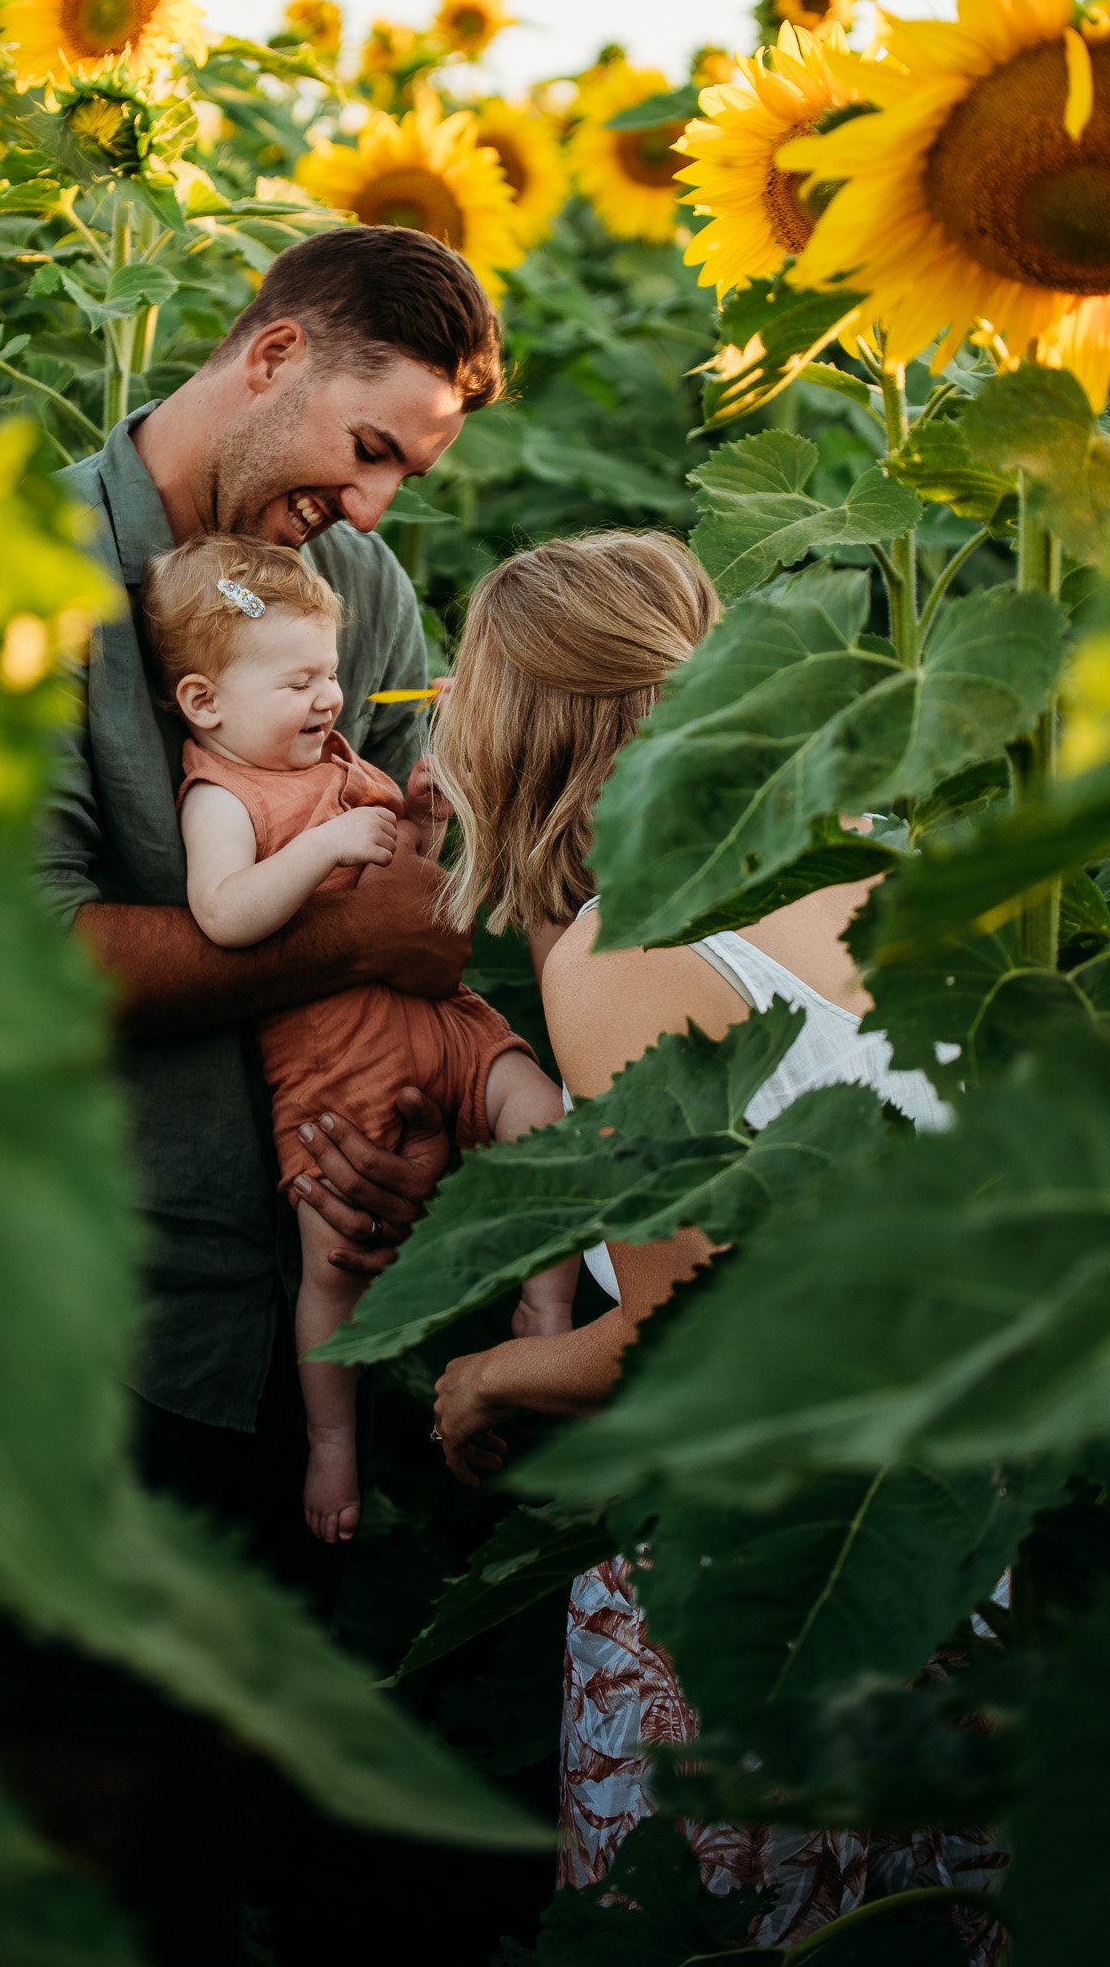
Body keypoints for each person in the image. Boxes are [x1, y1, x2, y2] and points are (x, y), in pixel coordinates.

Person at [420, 530, 1004, 1956]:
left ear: (516, 737)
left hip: (785, 1574)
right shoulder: (877, 866)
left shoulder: (631, 944)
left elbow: (697, 1343)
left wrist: (496, 1381)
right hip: (969, 1534)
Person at [41, 223, 505, 1543]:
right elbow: (22, 960)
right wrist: (357, 939)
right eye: (368, 451)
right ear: (277, 355)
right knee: (88, 1737)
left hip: (324, 1291)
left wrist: (407, 1123)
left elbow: (425, 916)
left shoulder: (357, 586)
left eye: (405, 475)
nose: (371, 507)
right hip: (92, 1307)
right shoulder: (25, 573)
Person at [142, 531, 572, 1543]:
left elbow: (395, 893)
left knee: (546, 1116)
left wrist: (418, 824)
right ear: (206, 705)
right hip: (338, 1064)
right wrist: (330, 841)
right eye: (297, 681)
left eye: (330, 675)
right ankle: (332, 1440)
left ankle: (548, 1309)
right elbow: (226, 915)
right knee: (332, 1265)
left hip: (442, 1026)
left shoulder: (333, 762)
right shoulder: (222, 797)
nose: (330, 700)